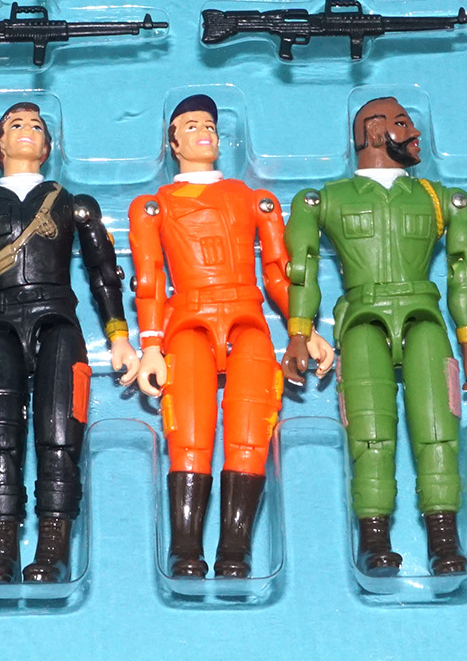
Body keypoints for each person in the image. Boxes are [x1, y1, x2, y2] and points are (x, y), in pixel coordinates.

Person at [128, 94, 333, 578]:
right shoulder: (154, 206)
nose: (204, 132)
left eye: (210, 126)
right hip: (188, 320)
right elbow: (149, 280)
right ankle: (185, 549)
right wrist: (150, 346)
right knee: (188, 434)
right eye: (191, 126)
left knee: (250, 432)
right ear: (173, 143)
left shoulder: (251, 198)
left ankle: (235, 551)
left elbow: (279, 271)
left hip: (247, 317)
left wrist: (303, 328)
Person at [281, 96, 467, 576]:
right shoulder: (328, 199)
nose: (413, 133)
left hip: (423, 314)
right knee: (369, 434)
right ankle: (374, 540)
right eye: (400, 124)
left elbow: (465, 270)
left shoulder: (441, 198)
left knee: (438, 429)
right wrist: (298, 332)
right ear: (375, 132)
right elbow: (301, 267)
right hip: (361, 317)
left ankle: (445, 538)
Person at [0, 102, 137, 584]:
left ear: (48, 147)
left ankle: (53, 548)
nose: (26, 130)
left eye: (36, 126)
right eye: (15, 125)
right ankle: (0, 547)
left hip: (57, 319)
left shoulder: (72, 203)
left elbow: (104, 273)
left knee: (60, 432)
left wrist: (121, 337)